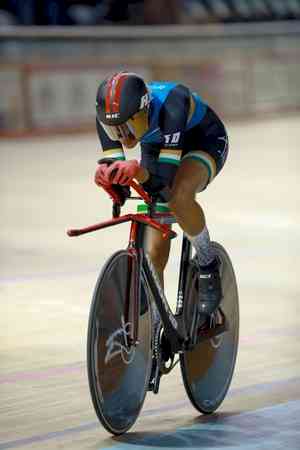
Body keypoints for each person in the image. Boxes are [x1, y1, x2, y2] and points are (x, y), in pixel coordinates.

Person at [94, 71, 229, 316]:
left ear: (143, 111)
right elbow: (123, 185)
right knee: (154, 249)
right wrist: (110, 180)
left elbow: (163, 182)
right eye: (116, 131)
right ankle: (159, 327)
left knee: (178, 194)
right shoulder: (108, 116)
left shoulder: (173, 104)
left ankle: (208, 262)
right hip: (157, 145)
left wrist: (136, 170)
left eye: (128, 126)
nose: (123, 136)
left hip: (202, 139)